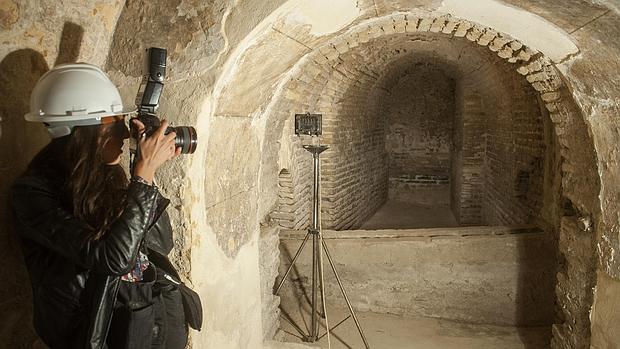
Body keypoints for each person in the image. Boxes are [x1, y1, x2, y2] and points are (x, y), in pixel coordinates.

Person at [10, 63, 189, 349]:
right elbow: (114, 259)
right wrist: (142, 178)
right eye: (115, 122)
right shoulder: (33, 195)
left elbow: (159, 243)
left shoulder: (105, 173)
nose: (124, 132)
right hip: (95, 335)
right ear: (85, 130)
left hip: (140, 323)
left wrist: (143, 173)